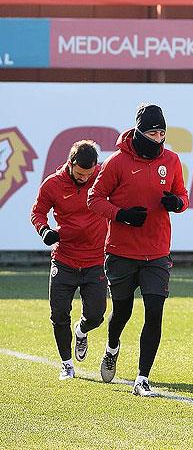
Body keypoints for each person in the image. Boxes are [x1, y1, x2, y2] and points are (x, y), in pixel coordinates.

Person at [88, 104, 189, 397]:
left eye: (162, 134)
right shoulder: (116, 162)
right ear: (139, 132)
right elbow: (94, 198)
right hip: (121, 252)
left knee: (154, 312)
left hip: (157, 252)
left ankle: (142, 378)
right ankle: (112, 347)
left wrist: (177, 203)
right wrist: (121, 215)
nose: (158, 139)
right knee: (122, 312)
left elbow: (182, 195)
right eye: (152, 133)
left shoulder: (171, 160)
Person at [30, 140, 108, 381]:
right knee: (59, 314)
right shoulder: (52, 184)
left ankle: (81, 330)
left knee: (96, 316)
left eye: (89, 174)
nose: (85, 178)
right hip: (64, 259)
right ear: (70, 163)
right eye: (80, 173)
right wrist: (44, 230)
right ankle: (66, 364)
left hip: (96, 260)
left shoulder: (103, 177)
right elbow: (37, 212)